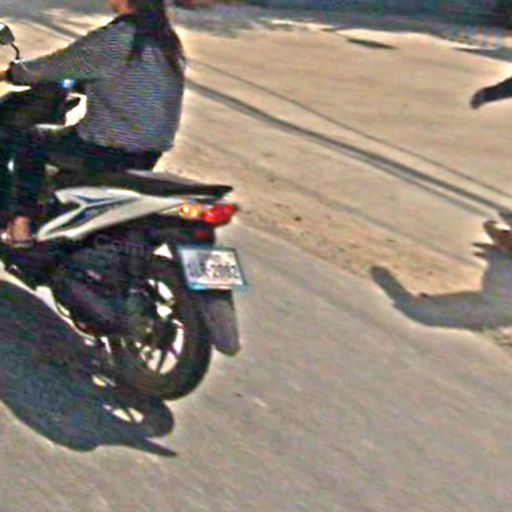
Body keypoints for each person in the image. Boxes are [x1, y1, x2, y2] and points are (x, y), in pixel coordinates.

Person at [0, 0, 186, 248]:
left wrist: (10, 73)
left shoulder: (117, 37)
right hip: (149, 150)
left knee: (31, 138)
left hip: (107, 146)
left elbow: (55, 65)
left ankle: (20, 226)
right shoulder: (165, 41)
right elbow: (130, 82)